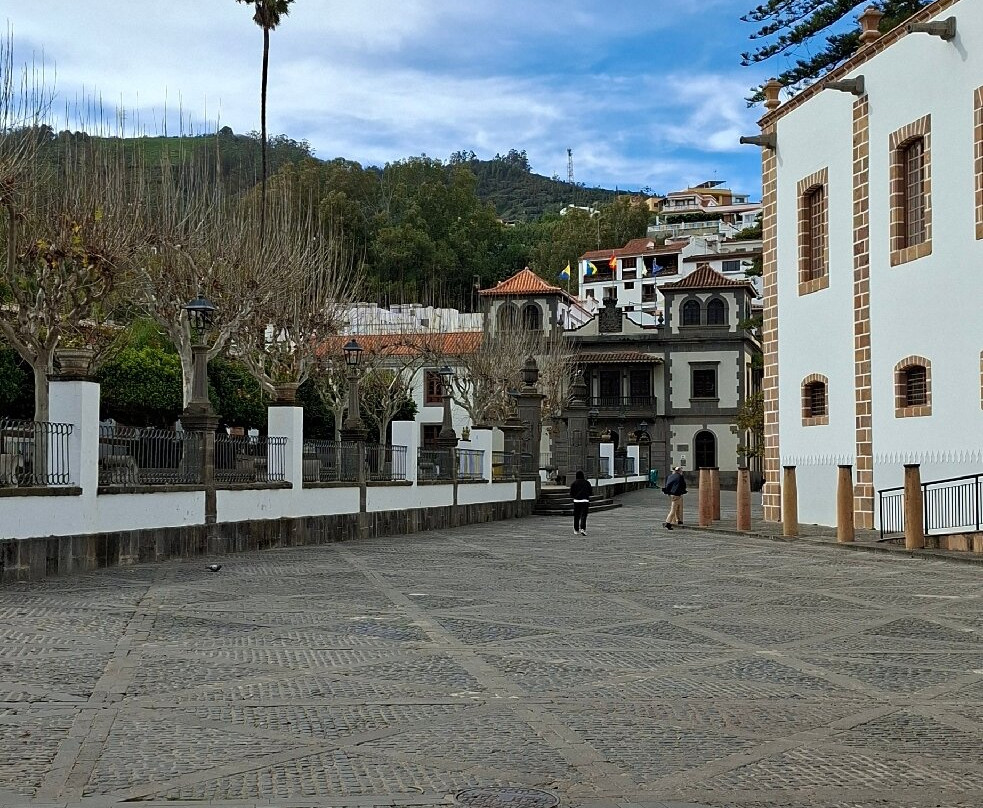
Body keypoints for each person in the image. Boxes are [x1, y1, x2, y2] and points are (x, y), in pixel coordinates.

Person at [569, 470, 592, 536]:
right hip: (585, 500)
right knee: (583, 515)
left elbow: (571, 493)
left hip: (576, 501)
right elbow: (590, 492)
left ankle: (576, 529)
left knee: (576, 516)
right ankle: (583, 528)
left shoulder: (574, 483)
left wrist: (575, 496)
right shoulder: (587, 483)